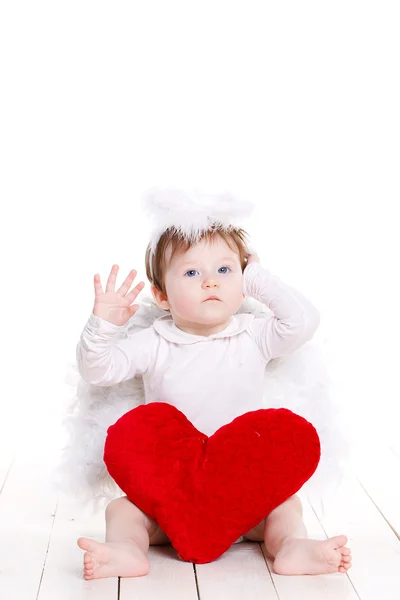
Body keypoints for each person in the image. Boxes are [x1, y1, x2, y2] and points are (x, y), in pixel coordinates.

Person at [75, 224, 352, 579]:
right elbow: (98, 371)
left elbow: (303, 321)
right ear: (161, 297)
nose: (210, 282)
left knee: (285, 508)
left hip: (246, 498)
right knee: (122, 510)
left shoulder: (254, 334)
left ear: (243, 283)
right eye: (191, 272)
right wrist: (103, 327)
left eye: (225, 270)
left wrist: (257, 278)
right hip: (173, 501)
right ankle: (126, 550)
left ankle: (291, 547)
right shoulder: (153, 341)